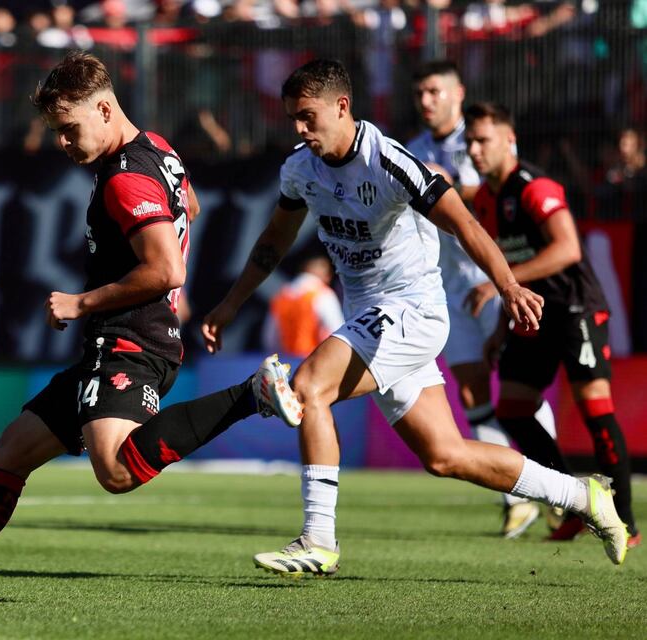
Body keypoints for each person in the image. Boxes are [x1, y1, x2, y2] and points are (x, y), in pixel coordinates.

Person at [0, 51, 276, 601]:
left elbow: (166, 268)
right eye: (56, 133)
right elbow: (190, 204)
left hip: (131, 341)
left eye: (69, 129)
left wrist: (82, 302)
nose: (63, 144)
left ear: (106, 109)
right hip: (120, 340)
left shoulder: (124, 179)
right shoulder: (158, 148)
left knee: (115, 469)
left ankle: (249, 395)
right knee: (11, 453)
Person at [201, 58, 629, 576]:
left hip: (413, 311)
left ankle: (318, 540)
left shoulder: (389, 161)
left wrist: (508, 284)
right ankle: (585, 497)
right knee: (446, 455)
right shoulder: (299, 169)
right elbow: (273, 242)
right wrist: (228, 306)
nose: (299, 128)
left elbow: (465, 224)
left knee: (310, 385)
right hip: (371, 318)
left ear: (342, 106)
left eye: (308, 116)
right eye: (293, 117)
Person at [463, 101, 640, 548]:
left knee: (594, 405)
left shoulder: (534, 186)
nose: (475, 150)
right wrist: (502, 329)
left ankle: (627, 521)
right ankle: (577, 502)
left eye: (483, 140)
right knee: (514, 409)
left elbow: (567, 250)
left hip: (575, 308)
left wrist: (498, 286)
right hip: (536, 314)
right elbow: (518, 261)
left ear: (509, 140)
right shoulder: (485, 199)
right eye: (469, 142)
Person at [408, 60, 558, 538]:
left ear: (457, 93)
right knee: (472, 390)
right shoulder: (410, 150)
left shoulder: (478, 141)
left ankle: (554, 482)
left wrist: (443, 178)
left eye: (435, 90)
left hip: (497, 276)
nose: (427, 100)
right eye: (420, 92)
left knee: (519, 385)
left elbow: (482, 190)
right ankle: (515, 496)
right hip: (449, 287)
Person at [262, 254, 344, 358]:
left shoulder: (281, 296)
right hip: (312, 362)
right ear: (325, 275)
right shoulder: (322, 293)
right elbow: (336, 331)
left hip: (285, 362)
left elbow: (270, 338)